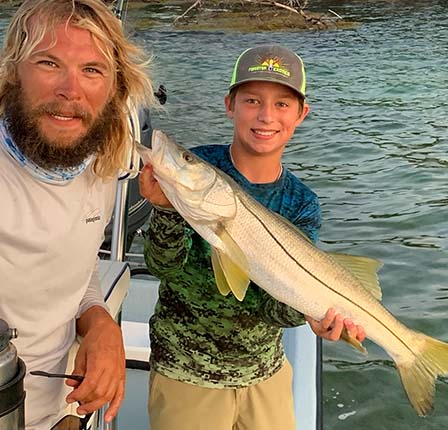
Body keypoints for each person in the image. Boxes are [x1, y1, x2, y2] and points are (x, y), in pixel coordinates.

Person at [139, 45, 365, 430]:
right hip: (185, 374)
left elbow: (273, 307)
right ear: (230, 105)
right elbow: (163, 267)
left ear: (301, 114)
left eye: (282, 104)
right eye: (252, 100)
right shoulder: (202, 169)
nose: (265, 116)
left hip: (266, 375)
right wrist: (164, 209)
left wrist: (314, 316)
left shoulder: (302, 202)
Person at [0, 1, 155, 429]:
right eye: (49, 62)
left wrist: (100, 321)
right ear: (14, 72)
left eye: (92, 70)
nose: (71, 89)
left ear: (115, 89)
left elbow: (78, 265)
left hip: (60, 410)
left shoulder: (97, 165)